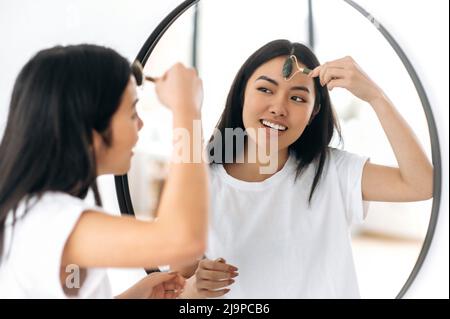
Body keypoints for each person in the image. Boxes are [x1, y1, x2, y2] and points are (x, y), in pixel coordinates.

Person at [177, 39, 433, 299]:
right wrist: (195, 287)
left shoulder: (334, 171)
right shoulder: (199, 179)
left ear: (314, 112)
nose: (278, 108)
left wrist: (375, 96)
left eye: (297, 97)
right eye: (266, 89)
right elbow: (176, 284)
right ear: (242, 91)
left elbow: (422, 184)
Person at [0, 44, 209, 298]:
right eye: (132, 113)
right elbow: (184, 240)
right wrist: (187, 109)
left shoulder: (42, 213)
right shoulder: (49, 219)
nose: (140, 124)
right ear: (90, 133)